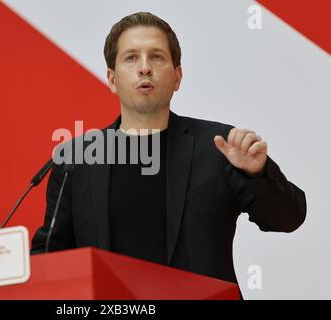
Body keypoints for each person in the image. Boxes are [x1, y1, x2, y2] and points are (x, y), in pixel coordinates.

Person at [31, 12, 307, 293]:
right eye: (131, 58)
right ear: (112, 79)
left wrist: (257, 174)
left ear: (177, 77)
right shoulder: (77, 160)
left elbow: (288, 218)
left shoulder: (220, 147)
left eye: (157, 57)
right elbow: (50, 255)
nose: (144, 68)